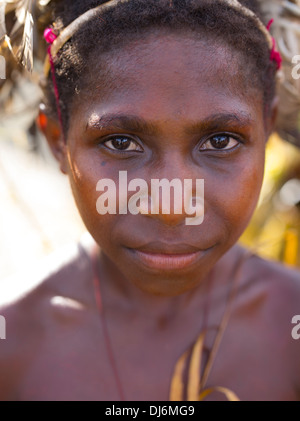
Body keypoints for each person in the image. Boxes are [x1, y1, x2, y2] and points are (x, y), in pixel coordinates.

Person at [0, 0, 299, 401]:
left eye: (220, 141)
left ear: (266, 129)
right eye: (120, 142)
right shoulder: (13, 344)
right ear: (58, 141)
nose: (171, 207)